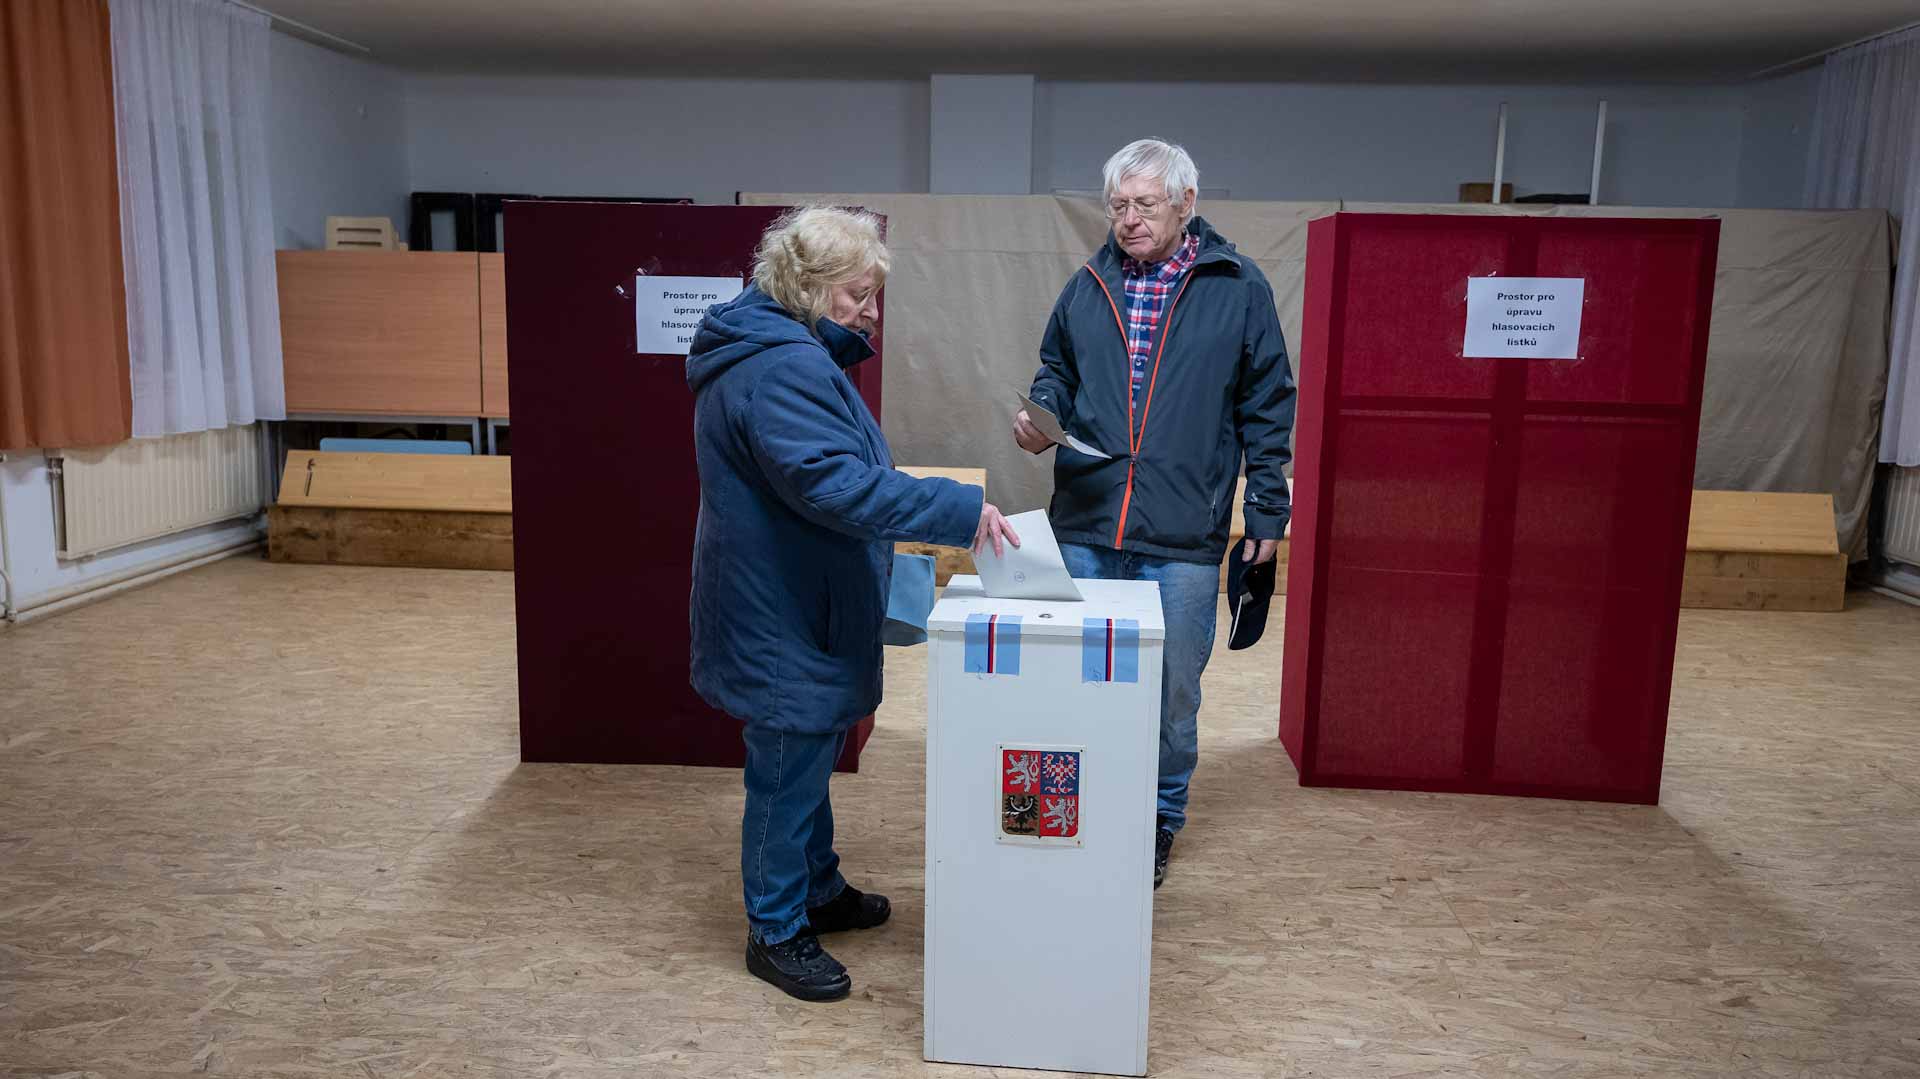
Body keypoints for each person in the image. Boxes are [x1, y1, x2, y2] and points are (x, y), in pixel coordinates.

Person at [688, 206, 1019, 1002]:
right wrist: (954, 511)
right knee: (785, 767)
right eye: (858, 294)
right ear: (807, 287)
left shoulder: (783, 351)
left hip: (797, 596)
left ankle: (819, 886)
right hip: (783, 609)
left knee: (809, 753)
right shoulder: (782, 369)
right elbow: (829, 484)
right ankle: (775, 928)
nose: (871, 312)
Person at [1014, 138, 1296, 889]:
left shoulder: (1238, 286)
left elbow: (1267, 405)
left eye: (1145, 204)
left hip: (1184, 536)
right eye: (1118, 205)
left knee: (1171, 692)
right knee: (1066, 681)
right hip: (1087, 524)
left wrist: (1268, 510)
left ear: (1185, 205)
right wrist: (1043, 413)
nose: (1129, 220)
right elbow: (1056, 369)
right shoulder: (1086, 285)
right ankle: (1054, 814)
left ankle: (1158, 818)